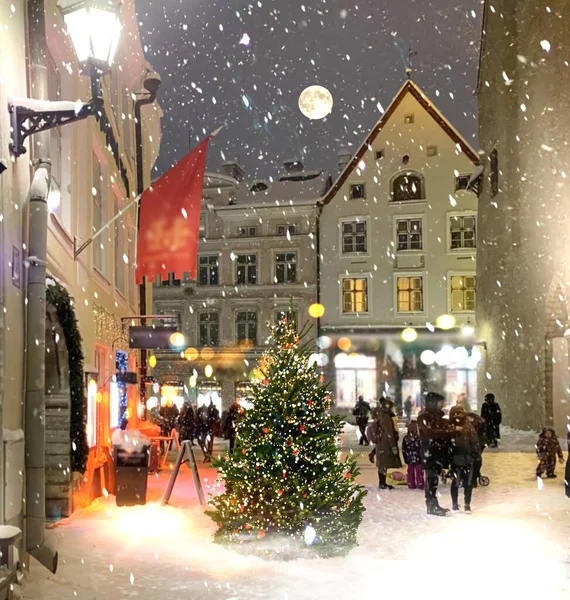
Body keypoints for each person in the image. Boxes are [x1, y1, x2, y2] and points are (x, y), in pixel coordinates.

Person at [418, 392, 456, 516]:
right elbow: (431, 433)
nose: (442, 404)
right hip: (430, 452)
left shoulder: (437, 416)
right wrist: (449, 432)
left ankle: (434, 504)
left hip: (437, 451)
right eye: (440, 402)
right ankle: (431, 505)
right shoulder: (424, 417)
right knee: (431, 479)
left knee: (433, 479)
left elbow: (437, 432)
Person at [449, 406, 480, 512]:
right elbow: (446, 444)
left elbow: (475, 442)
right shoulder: (450, 427)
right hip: (455, 459)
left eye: (459, 413)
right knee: (456, 482)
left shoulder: (468, 426)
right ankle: (454, 504)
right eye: (455, 414)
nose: (457, 416)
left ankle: (467, 504)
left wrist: (476, 456)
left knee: (468, 482)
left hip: (468, 458)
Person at [374, 398, 402, 490]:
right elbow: (389, 432)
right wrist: (393, 446)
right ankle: (382, 483)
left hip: (380, 441)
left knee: (382, 463)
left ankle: (382, 482)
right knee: (384, 463)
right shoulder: (385, 416)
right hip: (385, 442)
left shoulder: (379, 413)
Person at [402, 420, 424, 490]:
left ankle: (411, 484)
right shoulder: (419, 438)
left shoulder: (406, 438)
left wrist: (405, 457)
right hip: (418, 457)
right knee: (419, 471)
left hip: (409, 457)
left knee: (410, 471)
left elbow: (404, 448)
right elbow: (421, 447)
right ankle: (420, 484)